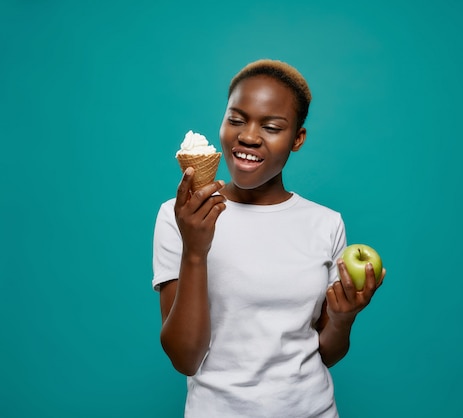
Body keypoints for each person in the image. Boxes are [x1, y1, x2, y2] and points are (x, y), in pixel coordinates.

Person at [152, 59, 385, 417]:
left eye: (272, 126)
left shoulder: (325, 223)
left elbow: (326, 353)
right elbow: (185, 358)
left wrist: (343, 319)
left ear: (297, 139)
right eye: (235, 119)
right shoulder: (180, 215)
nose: (248, 136)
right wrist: (195, 252)